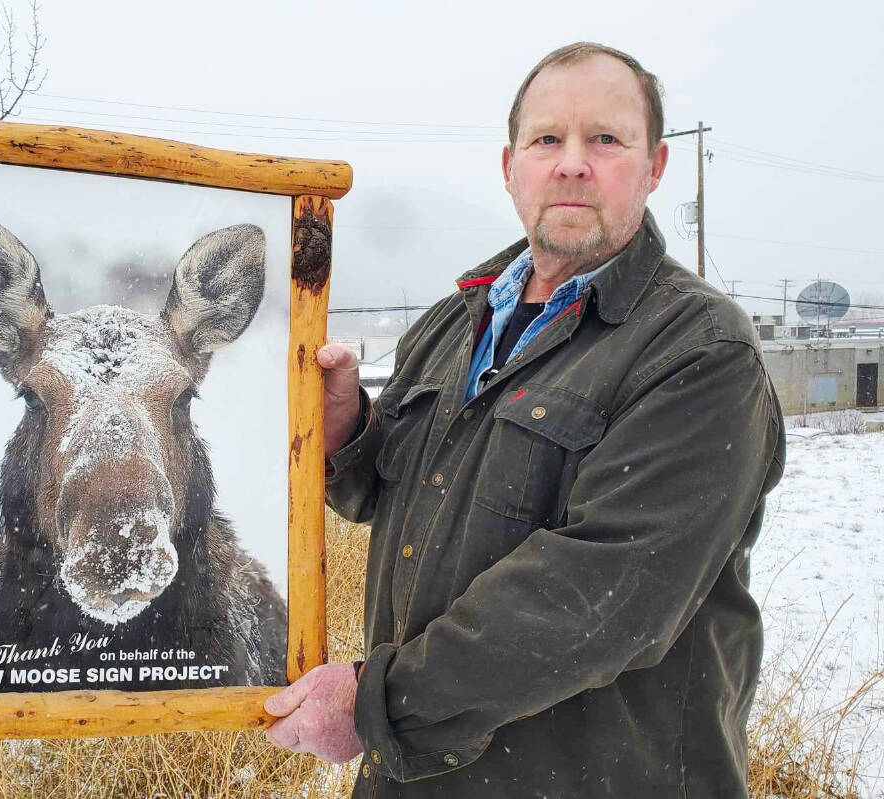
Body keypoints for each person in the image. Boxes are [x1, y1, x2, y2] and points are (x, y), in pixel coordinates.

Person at [263, 42, 785, 798]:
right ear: (510, 166)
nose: (573, 162)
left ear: (656, 166)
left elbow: (600, 598)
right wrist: (348, 431)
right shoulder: (453, 322)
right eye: (548, 139)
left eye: (606, 138)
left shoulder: (700, 351)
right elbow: (398, 495)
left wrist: (376, 702)